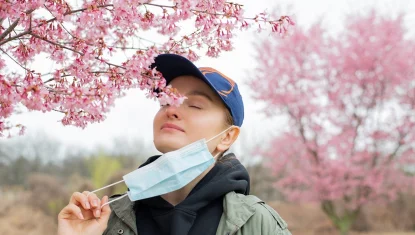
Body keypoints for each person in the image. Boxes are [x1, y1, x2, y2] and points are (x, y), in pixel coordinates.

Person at [57, 54, 291, 235]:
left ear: (227, 137)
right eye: (165, 101)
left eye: (196, 105)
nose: (172, 110)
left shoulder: (257, 223)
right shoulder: (106, 219)